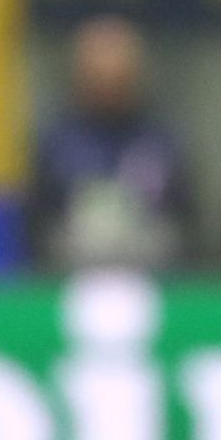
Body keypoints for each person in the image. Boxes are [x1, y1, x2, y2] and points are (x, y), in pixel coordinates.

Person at [29, 15, 196, 271]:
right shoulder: (55, 144)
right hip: (68, 280)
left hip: (154, 280)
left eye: (118, 79)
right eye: (98, 79)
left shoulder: (163, 142)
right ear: (79, 77)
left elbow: (189, 226)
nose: (108, 89)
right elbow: (34, 227)